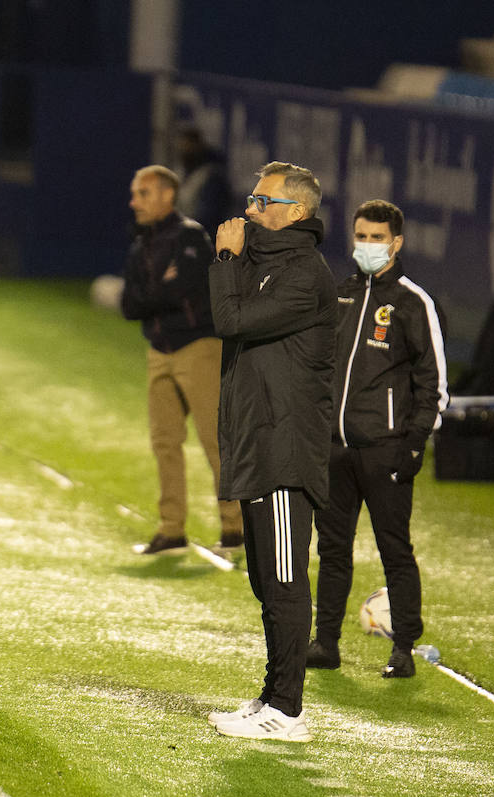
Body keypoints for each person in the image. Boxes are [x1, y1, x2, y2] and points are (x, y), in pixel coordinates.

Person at [205, 162, 337, 741]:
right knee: (264, 577)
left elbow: (229, 319)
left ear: (297, 213)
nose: (250, 209)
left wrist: (226, 259)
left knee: (284, 579)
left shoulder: (305, 274)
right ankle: (271, 697)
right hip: (260, 443)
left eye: (263, 201)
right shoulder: (271, 264)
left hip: (284, 450)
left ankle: (288, 710)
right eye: (252, 198)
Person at [308, 200, 448, 678]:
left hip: (386, 450)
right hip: (336, 448)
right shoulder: (342, 293)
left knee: (394, 548)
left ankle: (403, 649)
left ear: (397, 242)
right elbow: (322, 367)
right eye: (361, 236)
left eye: (376, 237)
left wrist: (413, 445)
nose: (367, 245)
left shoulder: (413, 302)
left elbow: (434, 385)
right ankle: (325, 642)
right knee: (332, 549)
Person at [121, 164, 243, 556]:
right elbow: (129, 305)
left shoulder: (189, 236)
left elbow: (183, 289)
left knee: (215, 440)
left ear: (166, 196)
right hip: (159, 349)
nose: (134, 202)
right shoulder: (141, 244)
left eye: (142, 194)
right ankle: (171, 530)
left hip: (198, 347)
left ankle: (236, 529)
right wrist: (160, 292)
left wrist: (152, 295)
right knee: (164, 442)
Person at [174, 126, 233, 237]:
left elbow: (210, 216)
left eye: (188, 145)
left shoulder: (212, 175)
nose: (183, 148)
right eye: (181, 144)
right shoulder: (179, 172)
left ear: (198, 146)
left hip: (204, 238)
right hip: (181, 237)